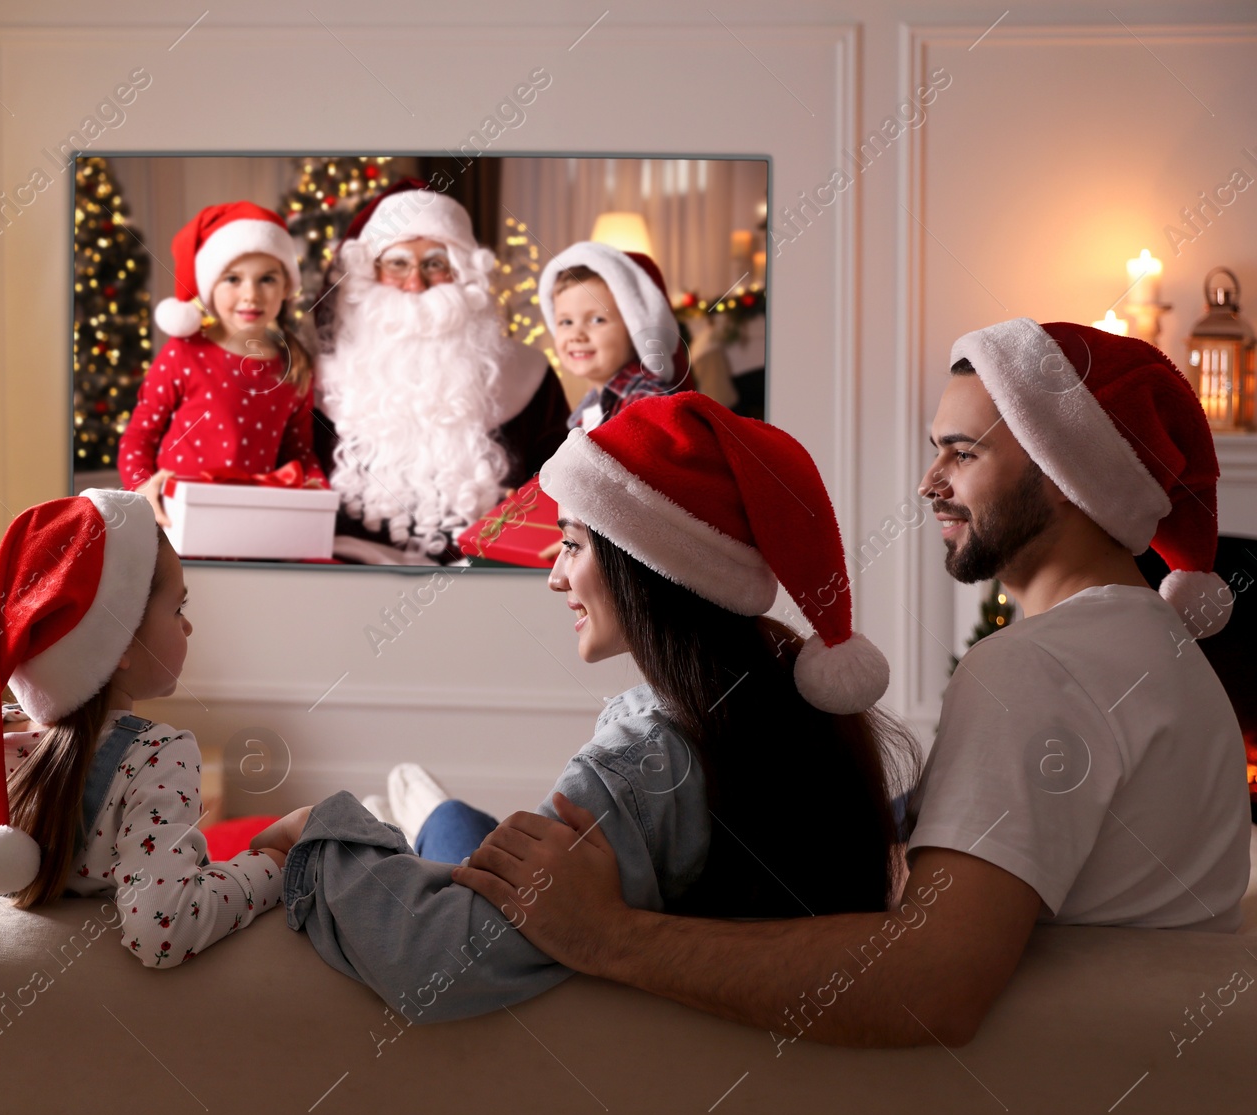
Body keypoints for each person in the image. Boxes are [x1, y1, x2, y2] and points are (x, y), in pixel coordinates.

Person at [452, 319, 1250, 1047]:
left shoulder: (1037, 667)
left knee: (454, 836)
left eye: (963, 452)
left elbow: (932, 981)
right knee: (456, 831)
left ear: (1066, 470)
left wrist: (606, 935)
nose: (930, 482)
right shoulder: (1164, 650)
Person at [252, 391, 915, 1023]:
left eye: (572, 543)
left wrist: (322, 831)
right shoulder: (781, 689)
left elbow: (434, 957)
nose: (555, 574)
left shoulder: (636, 767)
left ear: (646, 565)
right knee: (466, 825)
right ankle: (431, 812)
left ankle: (423, 816)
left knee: (453, 828)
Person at [0, 489, 284, 969]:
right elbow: (164, 928)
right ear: (120, 644)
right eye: (178, 609)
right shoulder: (159, 756)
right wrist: (273, 865)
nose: (188, 628)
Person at [311, 178, 571, 564]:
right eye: (397, 264)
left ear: (464, 274)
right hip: (348, 573)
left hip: (484, 577)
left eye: (435, 264)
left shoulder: (528, 374)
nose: (415, 283)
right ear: (370, 272)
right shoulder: (321, 377)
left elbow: (562, 488)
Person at [119, 203, 326, 528]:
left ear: (286, 286)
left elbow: (298, 449)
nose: (251, 295)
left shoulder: (294, 366)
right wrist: (143, 486)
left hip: (255, 523)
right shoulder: (183, 354)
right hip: (177, 520)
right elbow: (139, 436)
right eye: (233, 279)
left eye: (267, 279)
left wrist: (316, 486)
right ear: (209, 287)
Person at [540, 240, 691, 433]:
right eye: (566, 322)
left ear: (634, 327)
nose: (576, 335)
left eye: (596, 320)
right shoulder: (588, 406)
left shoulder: (648, 403)